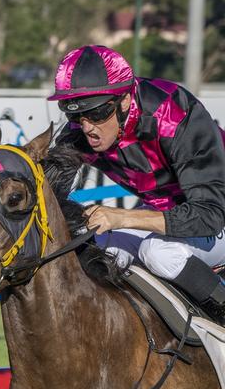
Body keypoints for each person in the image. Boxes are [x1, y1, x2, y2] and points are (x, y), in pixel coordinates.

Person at [51, 45, 225, 316]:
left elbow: (208, 216)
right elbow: (47, 192)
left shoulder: (178, 115)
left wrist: (122, 218)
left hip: (215, 212)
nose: (87, 127)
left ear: (124, 100)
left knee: (159, 253)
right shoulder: (82, 130)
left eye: (96, 113)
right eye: (76, 115)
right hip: (171, 212)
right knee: (94, 249)